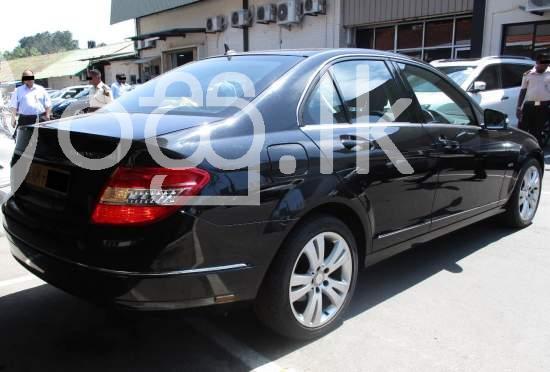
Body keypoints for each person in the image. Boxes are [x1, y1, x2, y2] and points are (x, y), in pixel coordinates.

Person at [517, 53, 550, 145]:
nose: (546, 65)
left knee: (537, 131)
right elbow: (523, 91)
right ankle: (521, 148)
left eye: (547, 62)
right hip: (529, 106)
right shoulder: (528, 74)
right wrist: (519, 107)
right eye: (544, 62)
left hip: (544, 106)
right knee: (523, 129)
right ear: (537, 62)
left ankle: (536, 151)